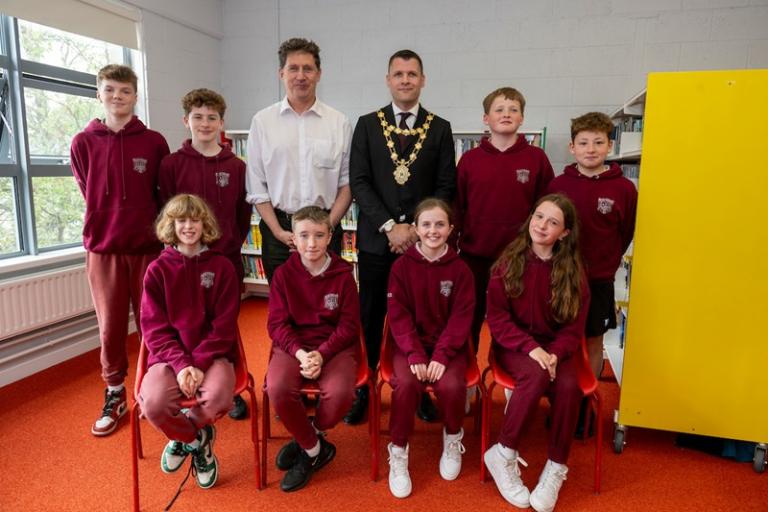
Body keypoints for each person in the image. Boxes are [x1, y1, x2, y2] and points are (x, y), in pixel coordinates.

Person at [348, 49, 456, 424]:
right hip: (377, 241)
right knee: (370, 314)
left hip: (422, 245)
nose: (406, 80)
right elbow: (359, 181)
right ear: (388, 80)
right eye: (399, 74)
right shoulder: (366, 124)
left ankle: (422, 388)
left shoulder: (440, 128)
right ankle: (363, 388)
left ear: (423, 80)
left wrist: (413, 228)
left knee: (424, 318)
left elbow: (445, 185)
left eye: (412, 74)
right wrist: (389, 227)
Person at [70, 63, 170, 437]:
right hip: (104, 250)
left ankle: (154, 387)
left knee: (153, 323)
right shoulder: (83, 142)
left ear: (135, 96)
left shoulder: (154, 142)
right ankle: (115, 392)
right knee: (111, 329)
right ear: (99, 94)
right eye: (110, 90)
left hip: (148, 249)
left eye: (125, 91)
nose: (117, 97)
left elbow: (161, 195)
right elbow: (88, 189)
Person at [483, 194, 590, 512]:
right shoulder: (507, 262)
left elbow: (573, 329)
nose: (542, 225)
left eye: (553, 222)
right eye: (539, 216)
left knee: (570, 387)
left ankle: (556, 467)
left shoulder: (574, 271)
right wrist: (532, 349)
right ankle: (503, 453)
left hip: (557, 348)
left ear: (565, 233)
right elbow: (498, 320)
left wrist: (554, 353)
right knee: (536, 373)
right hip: (514, 345)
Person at [158, 88, 252, 420]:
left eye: (212, 117)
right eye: (198, 117)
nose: (205, 123)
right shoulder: (171, 164)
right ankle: (186, 374)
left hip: (225, 259)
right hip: (184, 262)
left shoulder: (237, 167)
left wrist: (228, 247)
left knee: (224, 323)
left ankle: (226, 381)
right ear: (186, 121)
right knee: (185, 322)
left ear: (222, 123)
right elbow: (167, 212)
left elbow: (242, 215)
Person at [138, 194, 240, 490]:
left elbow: (224, 326)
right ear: (171, 226)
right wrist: (183, 365)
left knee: (221, 398)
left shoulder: (222, 267)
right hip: (169, 358)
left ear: (204, 223)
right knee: (154, 405)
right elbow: (154, 329)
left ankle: (184, 436)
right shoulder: (157, 270)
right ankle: (198, 441)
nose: (188, 226)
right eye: (181, 220)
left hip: (214, 354)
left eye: (195, 220)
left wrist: (196, 363)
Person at [547, 112, 637, 437]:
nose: (591, 149)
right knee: (557, 338)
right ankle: (559, 401)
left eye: (599, 142)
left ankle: (585, 403)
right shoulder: (558, 185)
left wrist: (607, 262)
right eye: (583, 143)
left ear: (610, 146)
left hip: (598, 280)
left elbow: (625, 232)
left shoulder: (624, 189)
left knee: (592, 340)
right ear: (572, 147)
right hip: (559, 276)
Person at [265, 206, 360, 492]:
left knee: (342, 393)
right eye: (304, 235)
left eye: (319, 235)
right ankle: (315, 450)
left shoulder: (344, 274)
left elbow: (348, 326)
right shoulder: (283, 275)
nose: (311, 243)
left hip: (334, 347)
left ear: (330, 236)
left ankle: (309, 438)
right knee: (278, 388)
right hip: (294, 346)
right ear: (292, 238)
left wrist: (322, 354)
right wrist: (301, 353)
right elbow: (277, 325)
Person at [385, 198, 475, 498]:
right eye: (426, 224)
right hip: (408, 346)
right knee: (406, 384)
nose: (433, 230)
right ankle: (398, 449)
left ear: (450, 229)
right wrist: (414, 352)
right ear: (415, 228)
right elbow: (398, 315)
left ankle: (452, 436)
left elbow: (462, 318)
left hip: (448, 347)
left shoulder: (461, 270)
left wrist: (441, 355)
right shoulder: (401, 267)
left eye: (440, 224)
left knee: (451, 386)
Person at [454, 87, 554, 349]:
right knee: (468, 322)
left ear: (522, 118)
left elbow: (548, 208)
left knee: (515, 321)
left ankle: (513, 384)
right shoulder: (469, 160)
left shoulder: (537, 159)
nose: (506, 114)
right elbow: (456, 207)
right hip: (474, 257)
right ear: (486, 118)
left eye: (513, 110)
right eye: (499, 109)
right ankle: (469, 386)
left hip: (520, 257)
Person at [246, 37, 352, 282]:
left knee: (328, 303)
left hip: (327, 230)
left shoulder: (339, 122)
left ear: (319, 74)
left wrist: (327, 227)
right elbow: (256, 186)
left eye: (308, 68)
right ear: (281, 73)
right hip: (279, 232)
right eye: (293, 68)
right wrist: (278, 232)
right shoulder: (262, 122)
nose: (301, 75)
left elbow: (346, 184)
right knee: (283, 306)